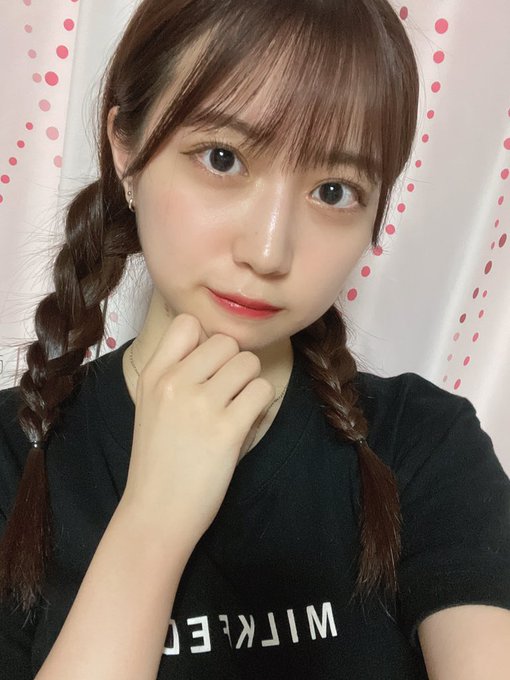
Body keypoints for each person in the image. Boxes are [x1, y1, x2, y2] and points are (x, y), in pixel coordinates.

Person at [1, 0, 509, 678]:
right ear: (126, 149)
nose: (269, 252)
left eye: (333, 191)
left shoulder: (423, 445)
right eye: (223, 158)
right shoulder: (15, 455)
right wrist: (152, 522)